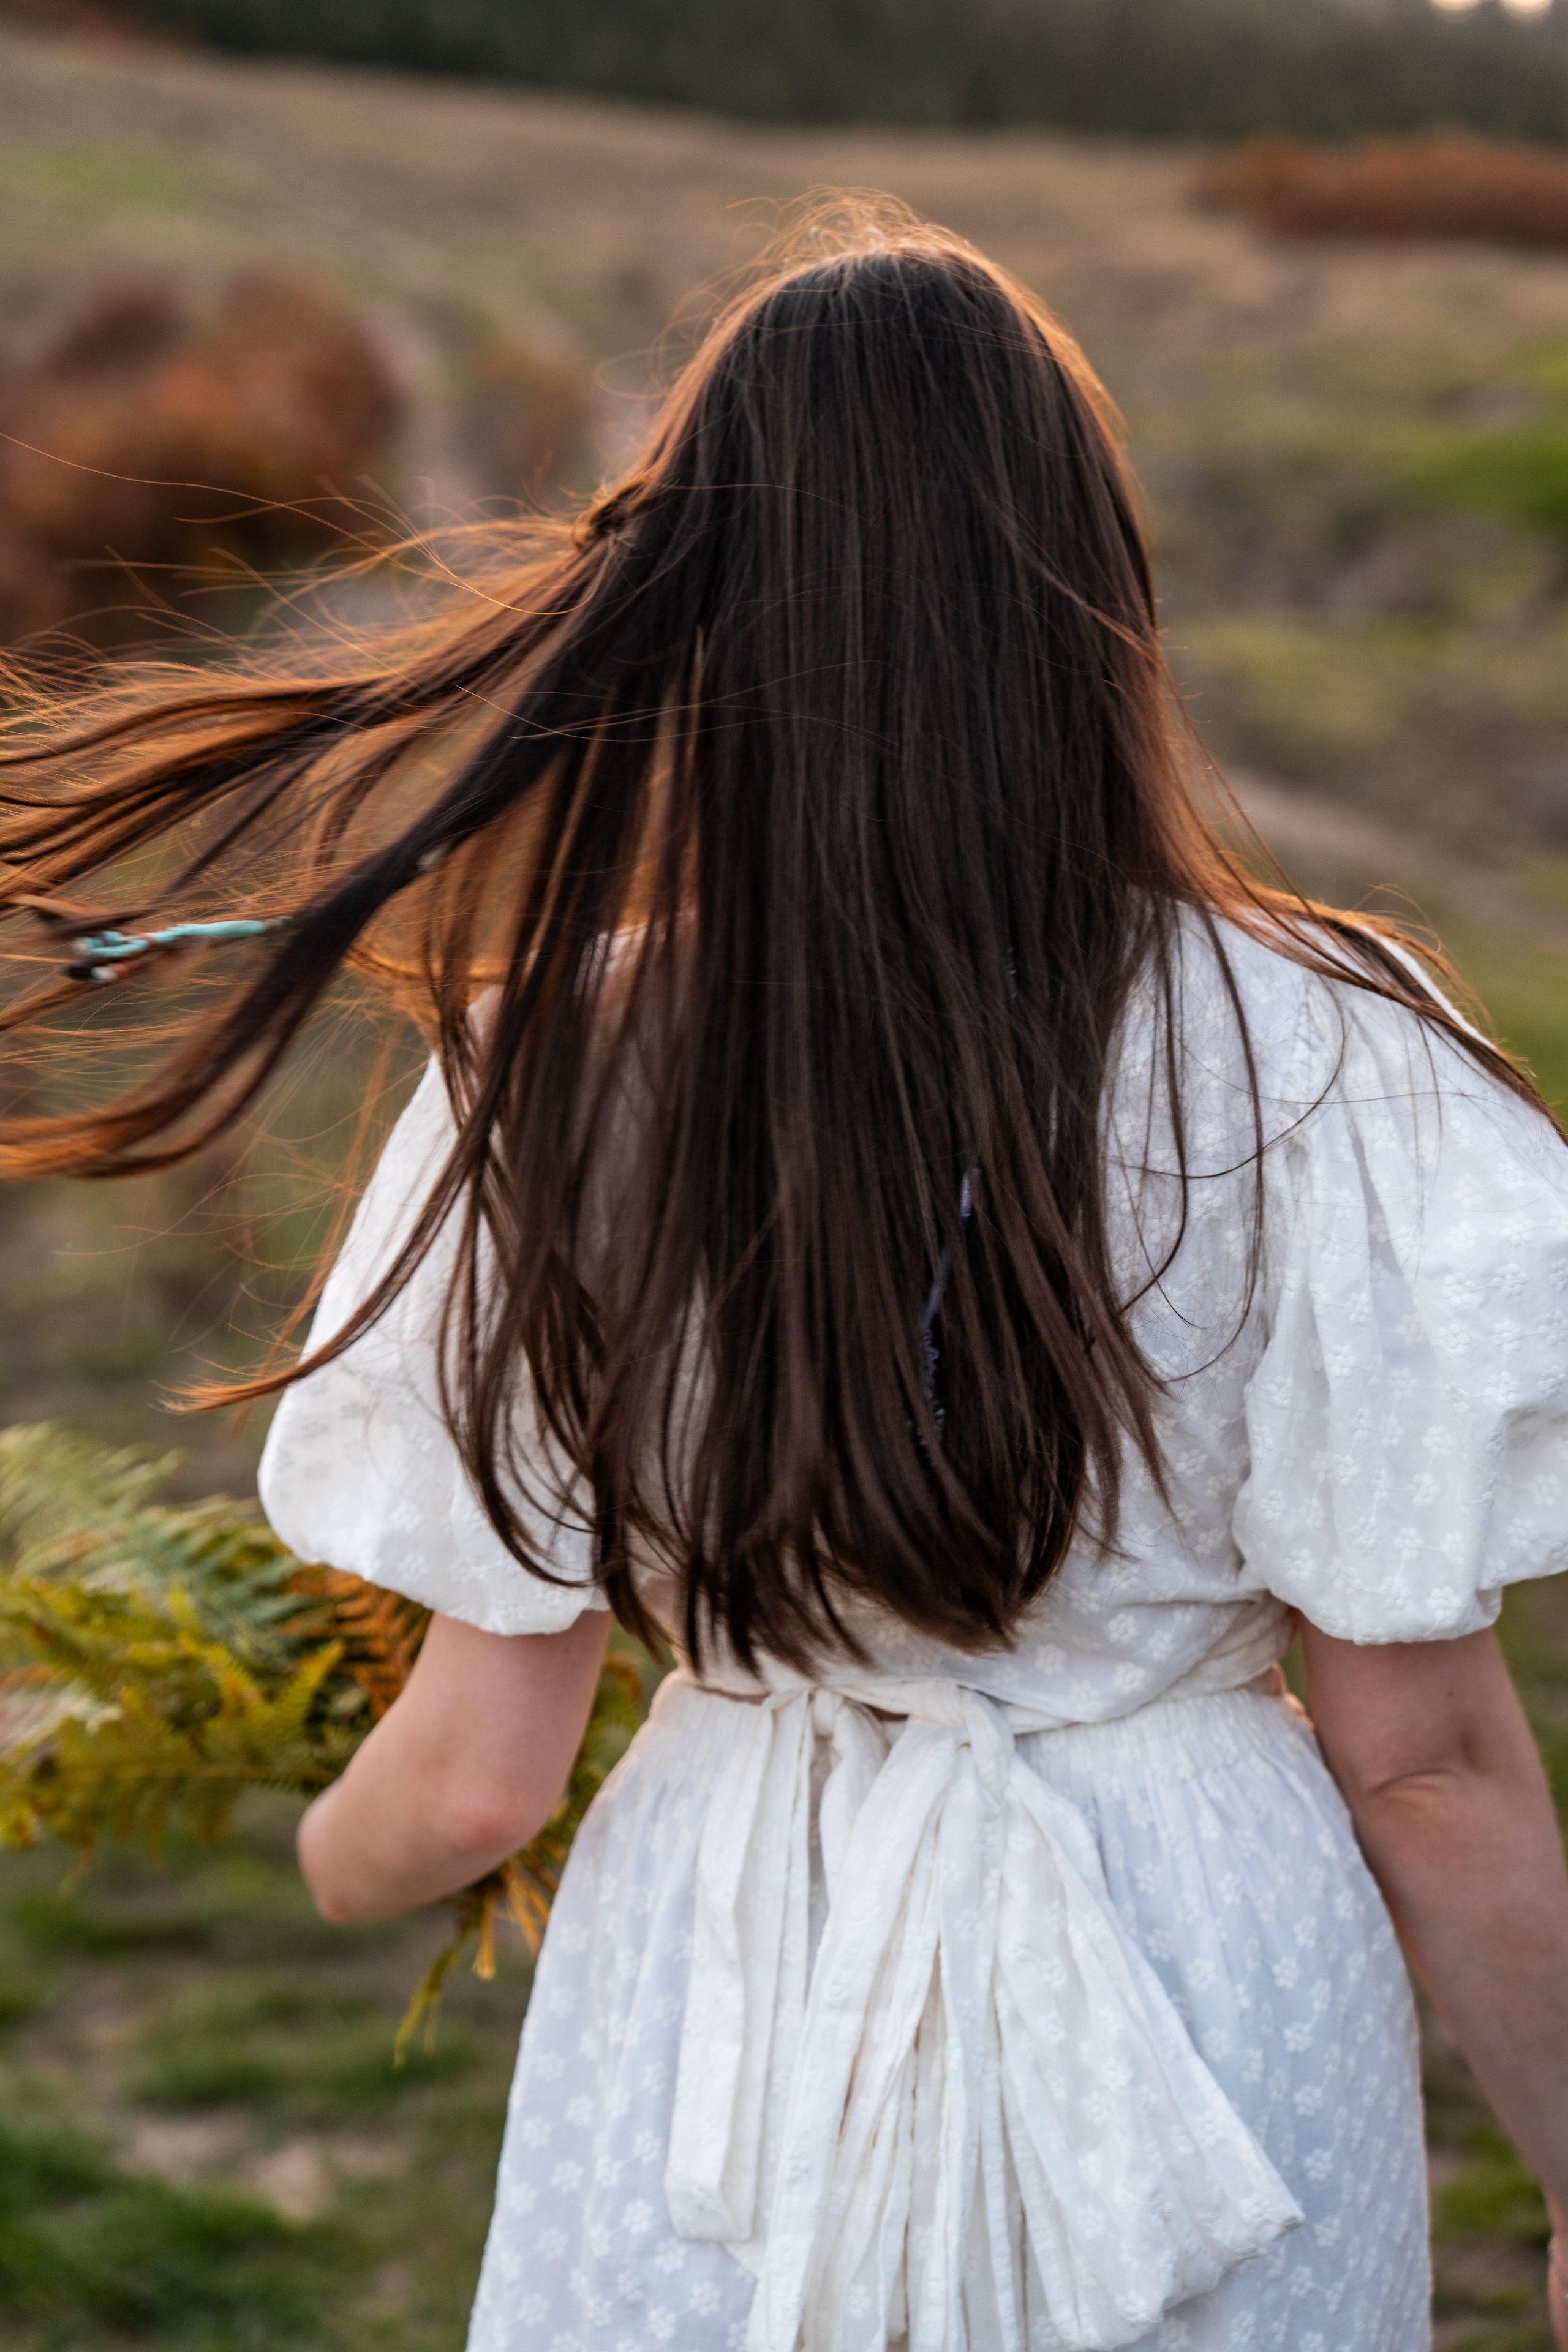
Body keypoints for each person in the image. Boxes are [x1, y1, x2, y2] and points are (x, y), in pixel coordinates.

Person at [1, 198, 1565, 2352]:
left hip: (736, 1938)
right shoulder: (1335, 1049)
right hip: (1211, 1950)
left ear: (707, 607)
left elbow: (474, 1778)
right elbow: (1425, 1758)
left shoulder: (562, 1064)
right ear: (1095, 599)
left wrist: (325, 1846)